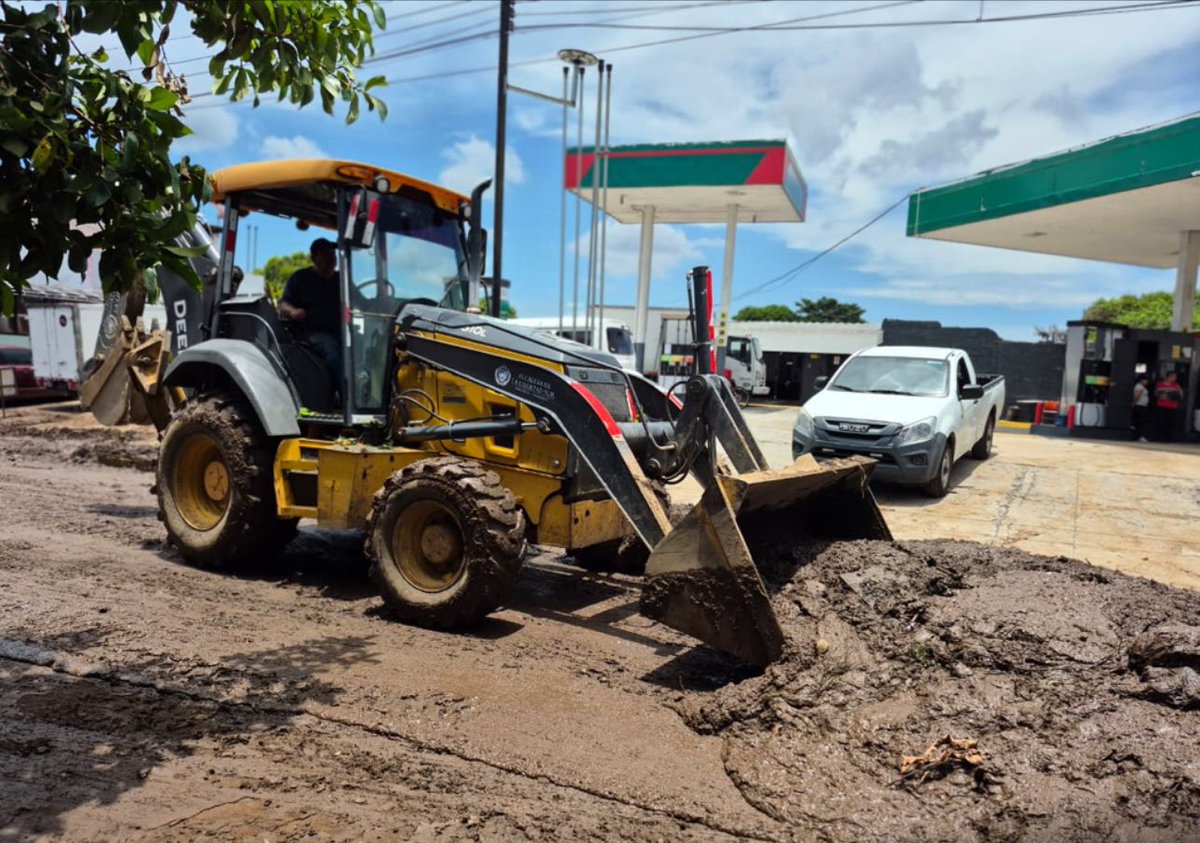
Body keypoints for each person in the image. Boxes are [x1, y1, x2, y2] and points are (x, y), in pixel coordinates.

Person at [279, 238, 343, 391]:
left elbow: (359, 300)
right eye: (326, 254)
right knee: (332, 351)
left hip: (342, 332)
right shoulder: (301, 278)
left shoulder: (342, 280)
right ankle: (346, 396)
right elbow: (283, 304)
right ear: (314, 258)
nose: (332, 257)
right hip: (312, 334)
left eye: (333, 253)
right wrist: (293, 311)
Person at [1154, 370, 1184, 442]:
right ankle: (1159, 438)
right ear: (1169, 376)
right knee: (1161, 422)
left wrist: (1174, 395)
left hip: (1172, 407)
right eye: (1174, 376)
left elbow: (1181, 395)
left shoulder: (1176, 385)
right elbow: (1157, 394)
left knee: (1170, 423)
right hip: (1162, 406)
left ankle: (1168, 439)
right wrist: (1166, 395)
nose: (1175, 378)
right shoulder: (1160, 384)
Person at [1131, 373, 1151, 442]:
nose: (1147, 382)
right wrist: (1134, 403)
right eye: (1145, 380)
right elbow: (1137, 396)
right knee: (1139, 421)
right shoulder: (1139, 386)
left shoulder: (1143, 387)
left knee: (1141, 421)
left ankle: (1139, 436)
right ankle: (1138, 436)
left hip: (1143, 406)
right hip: (1139, 406)